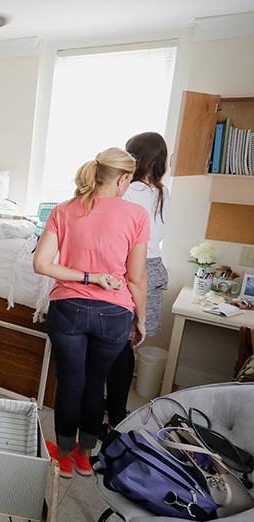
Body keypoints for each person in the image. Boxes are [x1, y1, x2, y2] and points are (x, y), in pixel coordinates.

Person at [33, 147, 148, 478]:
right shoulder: (136, 215)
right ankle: (85, 456)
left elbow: (42, 264)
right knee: (96, 382)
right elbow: (136, 278)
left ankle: (64, 457)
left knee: (70, 382)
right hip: (114, 314)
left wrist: (86, 277)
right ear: (123, 178)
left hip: (68, 309)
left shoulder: (64, 210)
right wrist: (140, 319)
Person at [105, 132, 170, 427]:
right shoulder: (163, 192)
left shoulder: (128, 191)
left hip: (132, 267)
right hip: (154, 267)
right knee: (128, 344)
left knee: (115, 345)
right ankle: (116, 409)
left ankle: (114, 411)